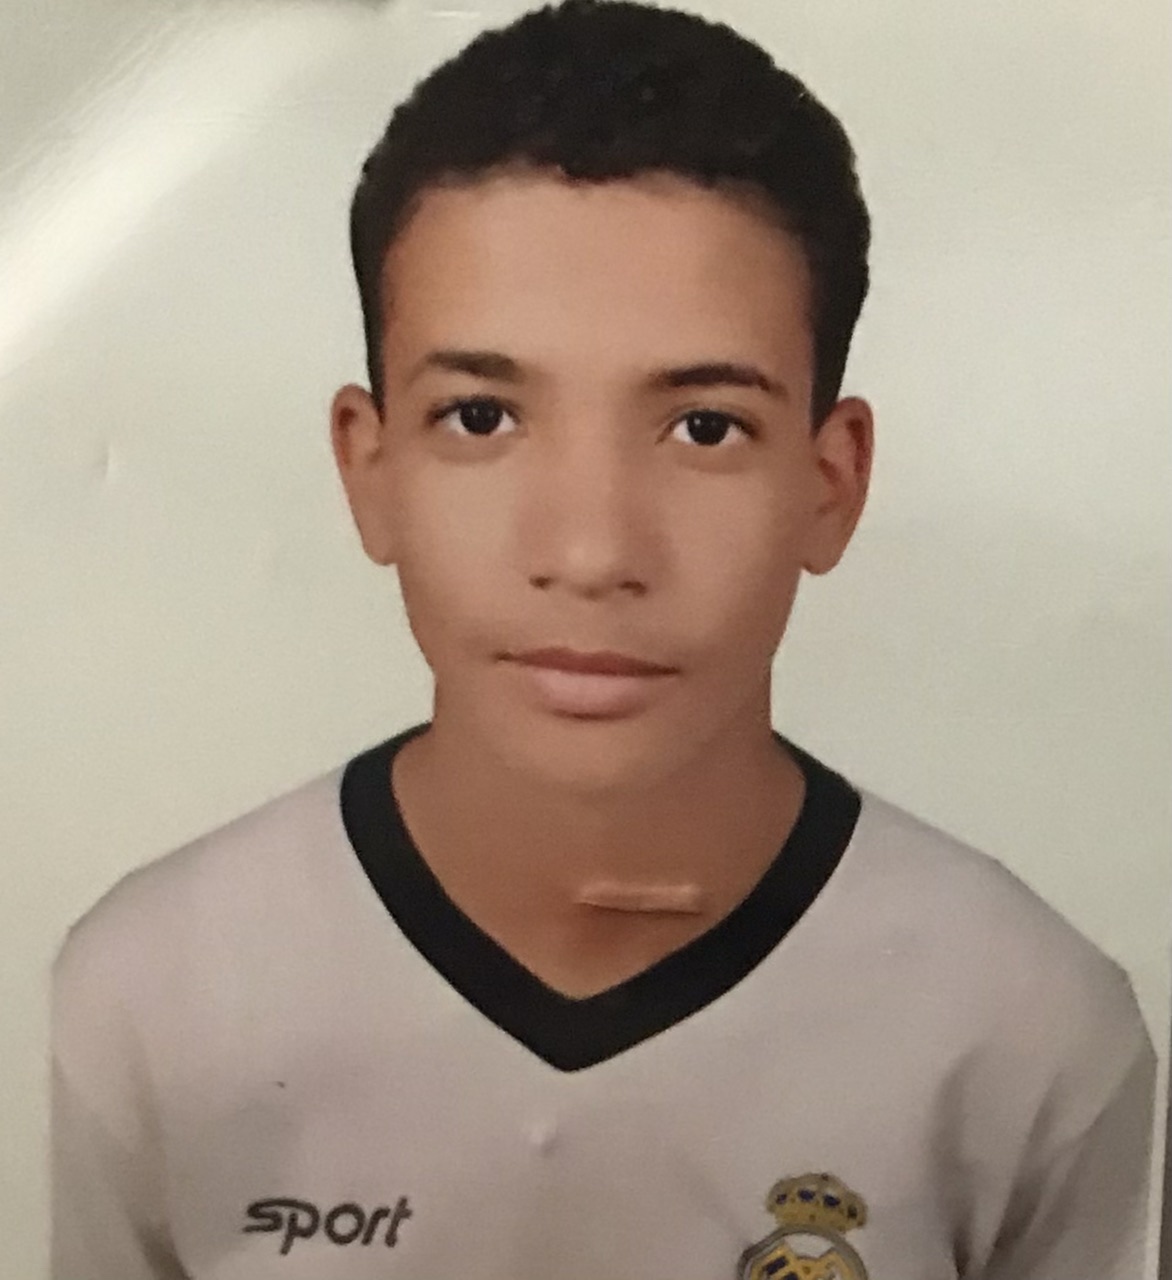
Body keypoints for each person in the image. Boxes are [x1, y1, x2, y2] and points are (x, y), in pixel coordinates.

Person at [50, 2, 1156, 1277]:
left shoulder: (1029, 1040)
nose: (589, 550)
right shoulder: (147, 1002)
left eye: (703, 427)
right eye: (479, 416)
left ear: (830, 481)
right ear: (369, 467)